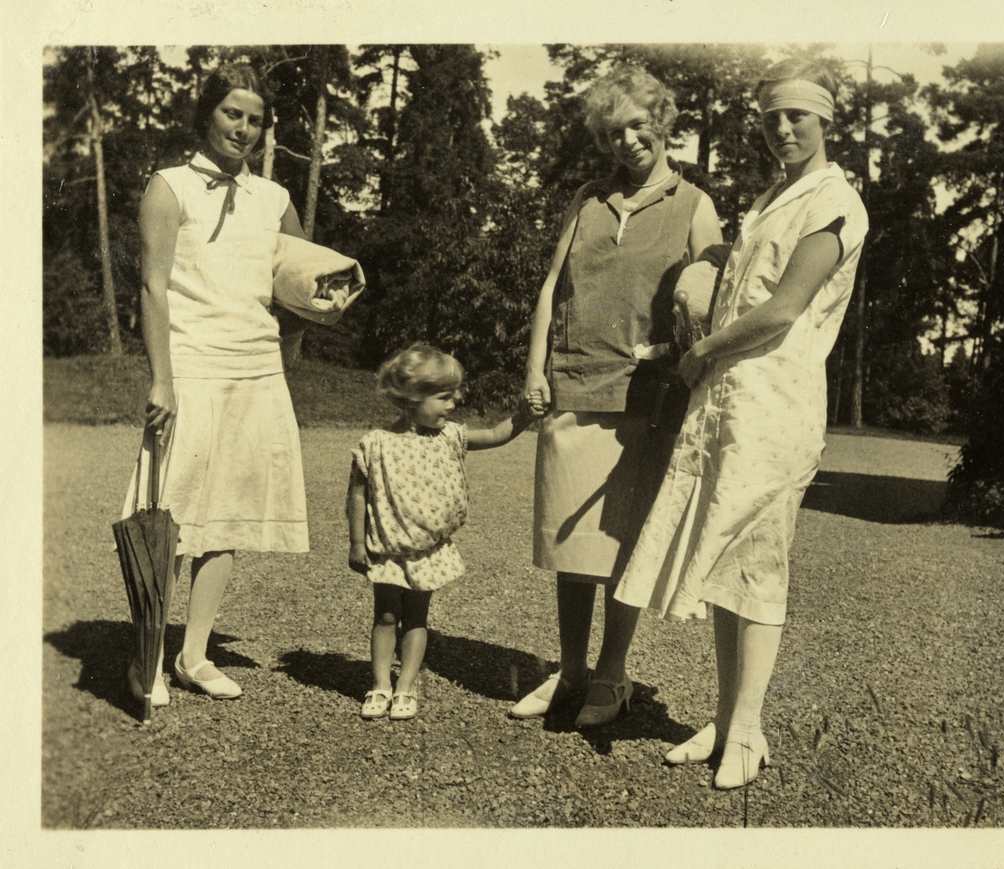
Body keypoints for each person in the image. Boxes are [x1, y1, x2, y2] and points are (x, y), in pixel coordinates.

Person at [614, 59, 869, 788]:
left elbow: (785, 308)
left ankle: (749, 731)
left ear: (826, 120)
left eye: (797, 116)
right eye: (770, 117)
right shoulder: (771, 198)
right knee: (723, 558)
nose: (782, 129)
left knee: (756, 558)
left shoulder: (834, 199)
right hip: (729, 400)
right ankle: (727, 719)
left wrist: (701, 351)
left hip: (776, 401)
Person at [512, 67, 724, 727]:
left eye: (638, 126)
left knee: (626, 544)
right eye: (614, 132)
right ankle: (571, 669)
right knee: (571, 544)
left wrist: (687, 352)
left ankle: (613, 674)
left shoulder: (694, 203)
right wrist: (534, 367)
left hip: (647, 399)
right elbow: (551, 287)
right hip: (574, 383)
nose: (627, 141)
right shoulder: (587, 200)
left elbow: (712, 287)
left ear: (662, 124)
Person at [123, 64, 311, 706]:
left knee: (227, 515)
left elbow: (304, 289)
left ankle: (194, 654)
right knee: (168, 513)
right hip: (191, 367)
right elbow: (152, 286)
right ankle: (147, 658)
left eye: (256, 120)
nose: (245, 128)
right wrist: (161, 380)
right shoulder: (168, 186)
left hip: (255, 370)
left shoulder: (276, 200)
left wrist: (329, 294)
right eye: (234, 114)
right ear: (207, 114)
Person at [347, 343, 534, 721]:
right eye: (444, 397)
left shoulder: (450, 436)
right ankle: (380, 684)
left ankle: (406, 687)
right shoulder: (377, 443)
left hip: (427, 551)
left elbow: (498, 434)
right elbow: (357, 493)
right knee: (385, 616)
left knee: (416, 617)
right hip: (387, 548)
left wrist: (525, 416)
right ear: (412, 398)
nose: (454, 404)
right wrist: (355, 541)